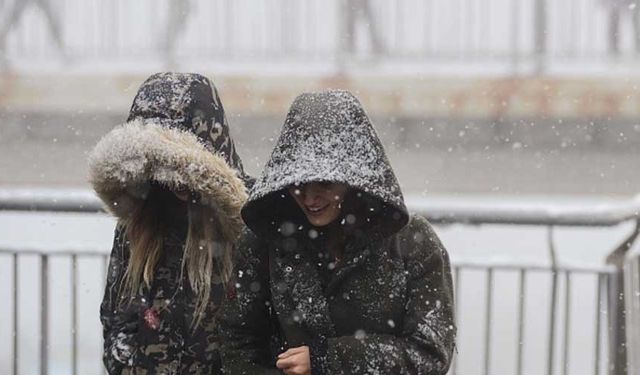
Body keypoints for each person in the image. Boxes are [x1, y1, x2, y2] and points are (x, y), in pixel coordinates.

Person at [219, 89, 455, 374]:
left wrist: (326, 361)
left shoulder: (413, 243)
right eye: (297, 185)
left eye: (324, 184)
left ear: (355, 181)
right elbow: (237, 342)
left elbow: (429, 354)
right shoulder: (264, 240)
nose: (309, 198)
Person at [89, 72, 251, 374]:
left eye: (181, 166)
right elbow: (116, 319)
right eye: (161, 165)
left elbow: (263, 333)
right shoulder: (139, 222)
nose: (175, 178)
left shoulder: (250, 222)